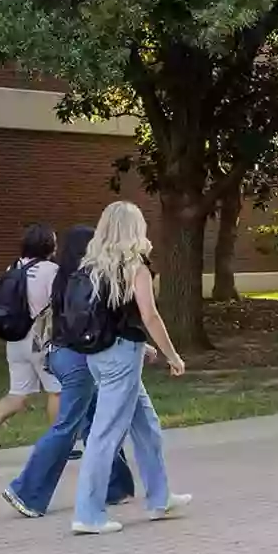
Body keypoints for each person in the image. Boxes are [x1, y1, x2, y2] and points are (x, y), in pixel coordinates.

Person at [65, 201, 191, 535]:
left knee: (146, 426)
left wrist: (142, 346)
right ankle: (88, 513)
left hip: (101, 354)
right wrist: (172, 355)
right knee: (105, 435)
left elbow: (110, 316)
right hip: (121, 359)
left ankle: (160, 498)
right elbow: (149, 315)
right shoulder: (135, 266)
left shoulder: (93, 266)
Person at [0, 224, 137, 517]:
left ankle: (116, 486)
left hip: (59, 354)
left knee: (97, 421)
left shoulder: (61, 277)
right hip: (78, 359)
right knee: (68, 427)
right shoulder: (83, 280)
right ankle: (26, 491)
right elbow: (93, 325)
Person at [0, 225, 62, 463]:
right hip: (39, 338)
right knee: (56, 390)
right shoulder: (51, 270)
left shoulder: (13, 267)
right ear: (48, 246)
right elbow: (57, 303)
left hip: (15, 338)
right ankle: (58, 445)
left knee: (18, 393)